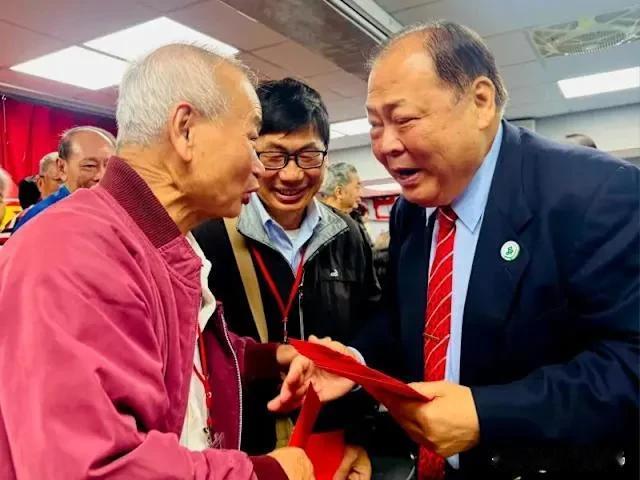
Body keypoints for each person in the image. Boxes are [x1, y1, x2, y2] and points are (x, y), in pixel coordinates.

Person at [0, 44, 359, 480]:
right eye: (251, 140)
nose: (258, 167)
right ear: (185, 130)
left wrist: (275, 357)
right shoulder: (71, 251)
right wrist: (266, 474)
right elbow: (92, 467)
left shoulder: (157, 238)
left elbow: (185, 355)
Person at [350, 21, 639, 479]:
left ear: (480, 102)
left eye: (403, 120)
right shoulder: (413, 210)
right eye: (374, 125)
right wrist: (355, 362)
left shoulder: (595, 194)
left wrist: (487, 413)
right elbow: (407, 321)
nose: (385, 145)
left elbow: (629, 363)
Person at [193, 78, 379, 467]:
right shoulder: (208, 236)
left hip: (333, 440)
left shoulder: (347, 234)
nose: (292, 175)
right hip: (244, 451)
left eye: (309, 156)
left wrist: (360, 439)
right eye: (274, 156)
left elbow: (370, 330)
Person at [12, 126, 116, 231]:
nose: (102, 176)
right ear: (62, 167)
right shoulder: (36, 220)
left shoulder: (116, 212)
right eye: (90, 166)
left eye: (110, 166)